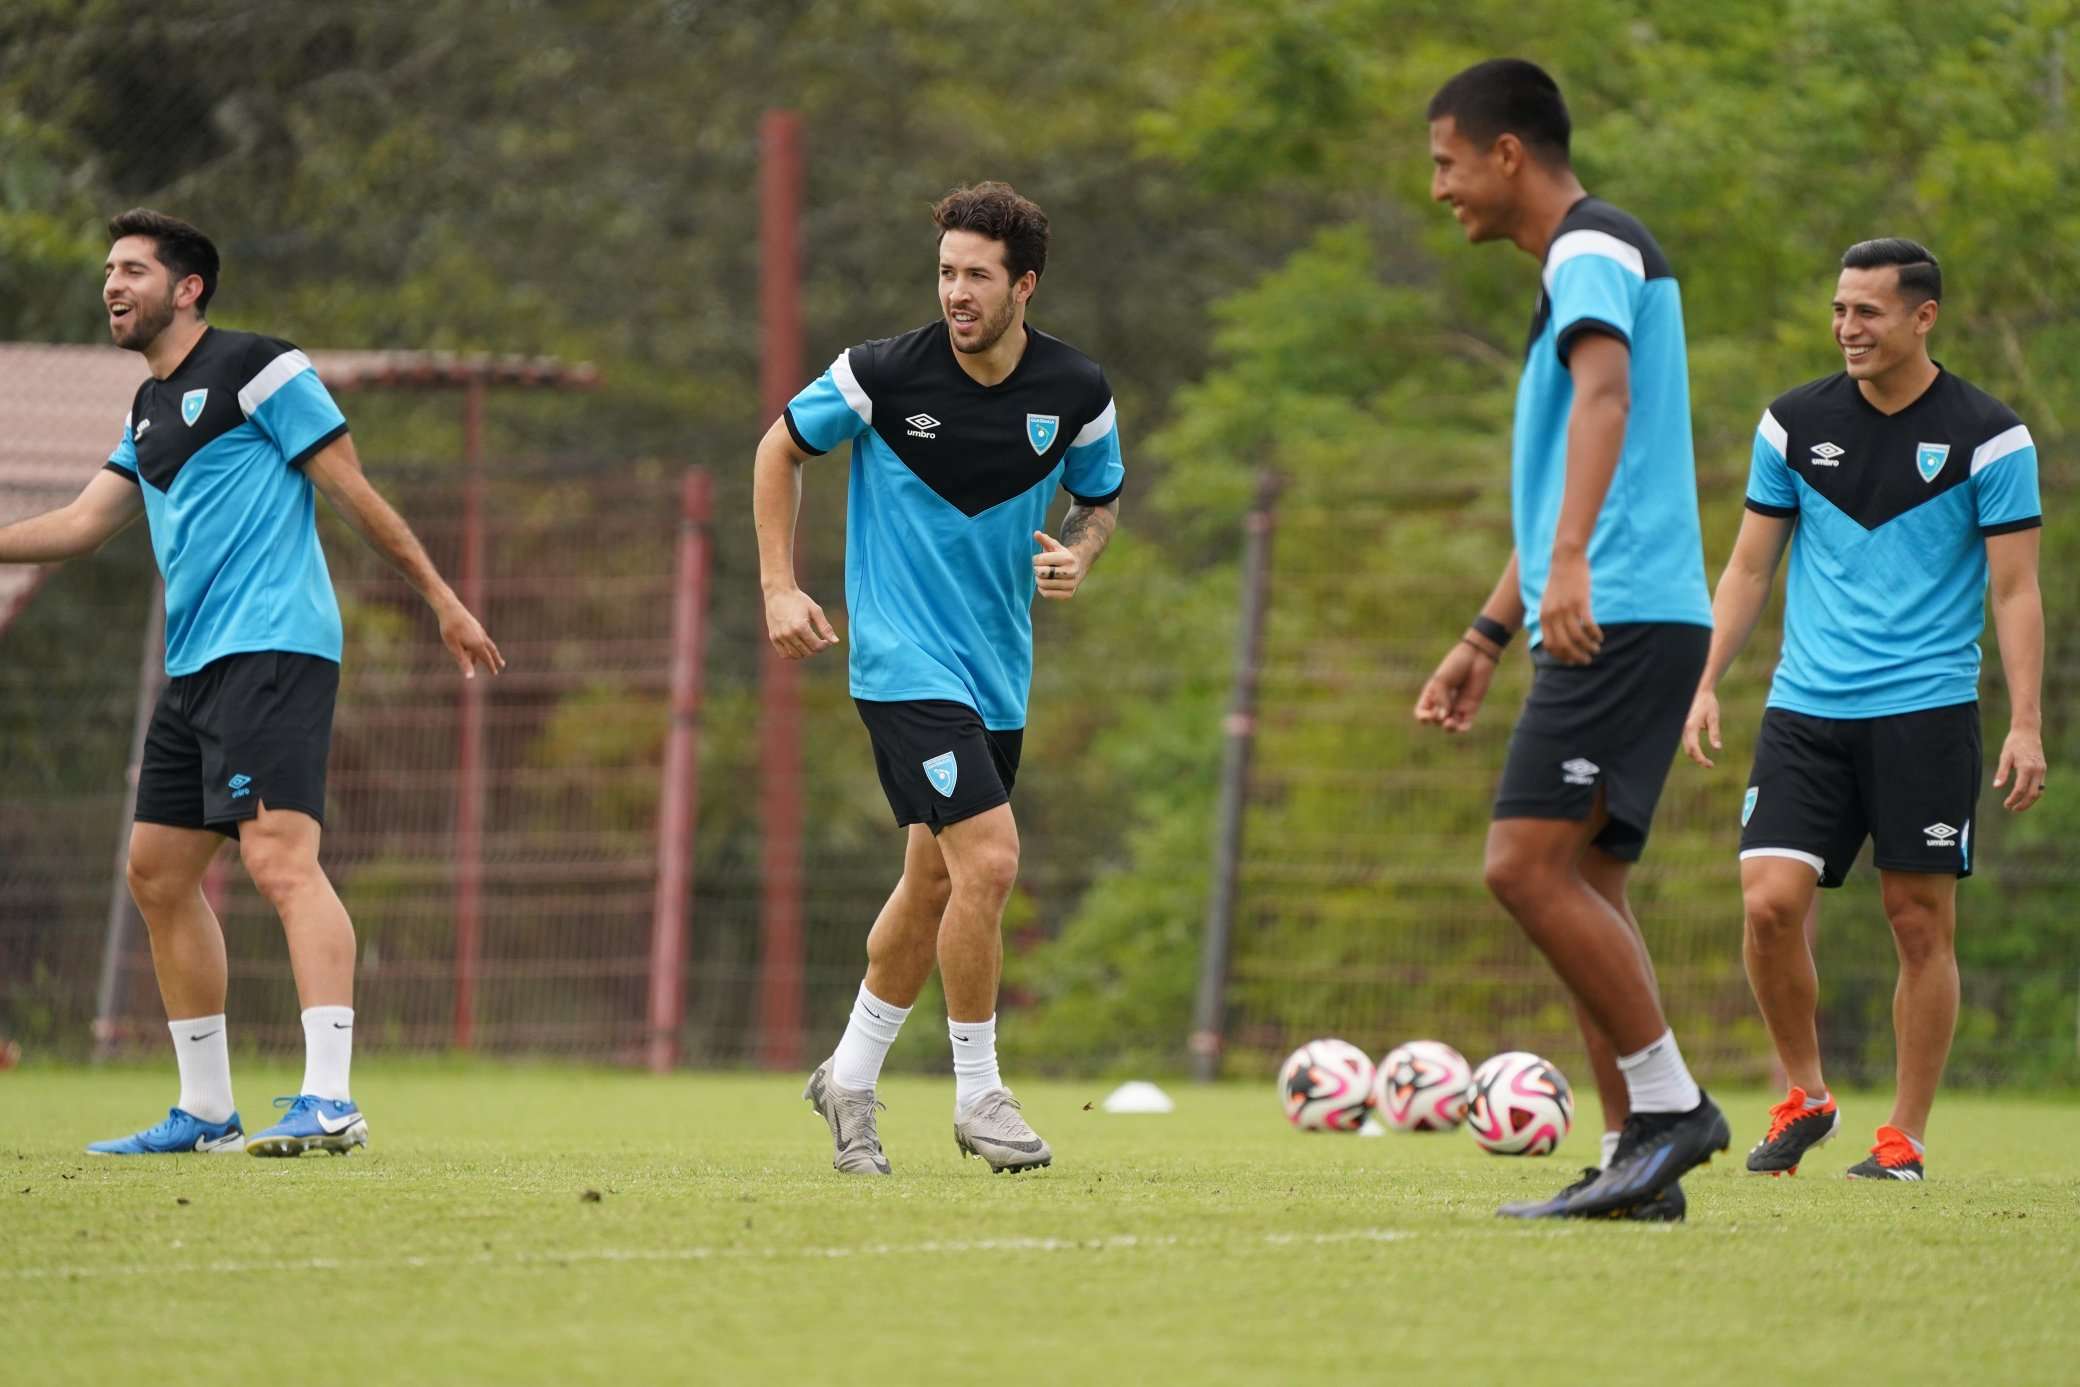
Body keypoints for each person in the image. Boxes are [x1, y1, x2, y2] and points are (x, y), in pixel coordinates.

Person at [0, 209, 501, 1156]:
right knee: (156, 873)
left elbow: (350, 486)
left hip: (273, 649)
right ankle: (204, 1112)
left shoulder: (259, 367)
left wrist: (441, 597)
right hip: (194, 670)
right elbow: (76, 525)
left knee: (281, 863)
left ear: (187, 288)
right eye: (109, 270)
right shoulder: (145, 412)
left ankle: (330, 1096)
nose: (112, 285)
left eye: (134, 271)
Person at [753, 182, 1123, 1175]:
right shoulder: (880, 374)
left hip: (997, 671)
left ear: (1024, 285)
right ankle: (979, 1094)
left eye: (977, 275)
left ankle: (849, 1076)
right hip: (900, 664)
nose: (956, 292)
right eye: (946, 272)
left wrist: (1080, 556)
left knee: (932, 884)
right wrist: (780, 587)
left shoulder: (1076, 391)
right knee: (991, 862)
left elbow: (1101, 499)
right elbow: (777, 449)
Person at [1413, 59, 1728, 1219]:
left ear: (1505, 154)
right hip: (1622, 605)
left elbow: (1605, 399)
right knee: (1586, 880)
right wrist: (1486, 632)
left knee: (1521, 866)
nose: (1438, 188)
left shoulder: (1591, 249)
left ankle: (1671, 1109)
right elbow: (1558, 479)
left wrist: (1571, 561)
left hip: (1625, 609)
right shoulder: (1579, 261)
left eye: (1446, 162)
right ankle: (1633, 1162)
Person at [1683, 238, 2047, 1181]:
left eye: (1868, 312)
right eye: (1840, 309)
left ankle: (1905, 1139)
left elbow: (2015, 592)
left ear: (1922, 317)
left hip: (1925, 711)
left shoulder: (1991, 436)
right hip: (1806, 708)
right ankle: (1806, 1094)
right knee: (1768, 903)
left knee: (1917, 922)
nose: (1847, 327)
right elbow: (1750, 565)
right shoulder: (1793, 424)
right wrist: (1704, 677)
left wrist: (2026, 720)